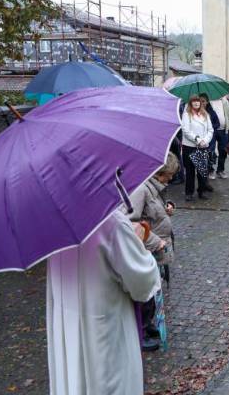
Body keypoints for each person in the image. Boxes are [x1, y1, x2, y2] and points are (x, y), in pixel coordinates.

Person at [47, 210, 161, 395]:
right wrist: (137, 241)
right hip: (106, 334)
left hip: (68, 327)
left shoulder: (54, 222)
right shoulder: (111, 223)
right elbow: (142, 282)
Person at [126, 152, 179, 351]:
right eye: (169, 174)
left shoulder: (153, 189)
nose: (172, 178)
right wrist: (155, 241)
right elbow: (129, 222)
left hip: (154, 248)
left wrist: (166, 209)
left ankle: (148, 327)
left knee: (153, 289)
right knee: (146, 292)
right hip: (146, 248)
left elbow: (153, 212)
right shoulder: (141, 190)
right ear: (160, 173)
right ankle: (141, 332)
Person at [181, 95, 214, 201]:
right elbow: (186, 131)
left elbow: (210, 130)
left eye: (198, 102)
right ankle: (189, 193)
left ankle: (202, 191)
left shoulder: (205, 114)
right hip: (190, 146)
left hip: (203, 146)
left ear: (201, 103)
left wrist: (205, 140)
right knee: (190, 171)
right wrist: (198, 140)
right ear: (190, 103)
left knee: (202, 171)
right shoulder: (186, 114)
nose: (196, 103)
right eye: (194, 102)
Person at [206, 94, 229, 180]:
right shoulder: (208, 102)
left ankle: (220, 170)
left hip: (224, 130)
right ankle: (210, 170)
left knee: (223, 151)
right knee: (210, 150)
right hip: (211, 130)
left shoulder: (225, 101)